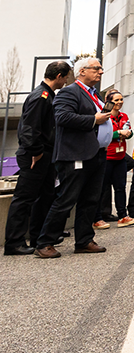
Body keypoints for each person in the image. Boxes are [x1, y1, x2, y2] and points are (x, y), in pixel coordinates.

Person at [34, 57, 114, 258]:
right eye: (96, 68)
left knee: (90, 199)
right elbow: (62, 118)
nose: (100, 72)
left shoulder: (94, 95)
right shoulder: (69, 92)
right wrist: (93, 119)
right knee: (66, 199)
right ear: (82, 71)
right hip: (75, 155)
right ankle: (45, 242)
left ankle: (84, 240)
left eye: (100, 68)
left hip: (95, 154)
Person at [3, 61, 72, 255]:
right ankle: (14, 243)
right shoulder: (41, 97)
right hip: (35, 155)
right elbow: (29, 129)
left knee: (44, 198)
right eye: (66, 77)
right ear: (59, 76)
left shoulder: (47, 95)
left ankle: (38, 238)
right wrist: (35, 151)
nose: (66, 81)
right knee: (24, 200)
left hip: (43, 154)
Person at [95, 91, 134, 229]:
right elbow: (103, 134)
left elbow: (130, 132)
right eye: (116, 100)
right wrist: (118, 133)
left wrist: (128, 133)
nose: (119, 102)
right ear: (109, 102)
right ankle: (97, 218)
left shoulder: (124, 116)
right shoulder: (104, 116)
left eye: (121, 99)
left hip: (120, 157)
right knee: (101, 189)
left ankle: (123, 216)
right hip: (107, 157)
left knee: (120, 187)